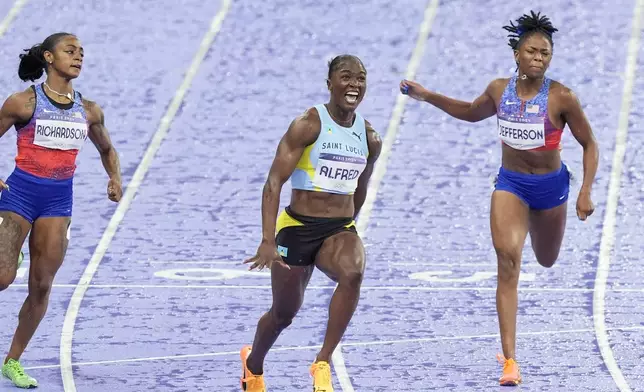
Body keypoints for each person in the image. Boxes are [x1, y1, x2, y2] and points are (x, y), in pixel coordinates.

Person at [400, 10, 598, 386]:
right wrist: (427, 96)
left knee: (547, 259)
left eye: (545, 54)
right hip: (511, 185)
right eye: (533, 52)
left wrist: (584, 191)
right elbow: (470, 112)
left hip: (552, 188)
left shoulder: (562, 98)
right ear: (516, 54)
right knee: (508, 261)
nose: (539, 59)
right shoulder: (498, 91)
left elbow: (589, 144)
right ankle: (510, 360)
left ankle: (511, 353)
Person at [239, 54, 382, 392]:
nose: (354, 84)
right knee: (283, 314)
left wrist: (348, 225)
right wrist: (267, 240)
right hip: (297, 228)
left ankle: (323, 361)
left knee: (353, 272)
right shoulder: (308, 124)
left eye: (360, 78)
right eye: (346, 77)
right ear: (329, 83)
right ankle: (253, 364)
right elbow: (274, 182)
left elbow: (360, 189)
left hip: (338, 230)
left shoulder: (370, 138)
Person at [0, 32, 122, 388]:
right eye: (70, 51)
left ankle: (12, 361)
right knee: (3, 278)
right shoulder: (23, 103)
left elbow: (106, 149)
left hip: (57, 203)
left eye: (82, 52)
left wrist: (114, 177)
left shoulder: (89, 111)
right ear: (49, 58)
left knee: (41, 286)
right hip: (19, 195)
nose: (78, 57)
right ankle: (13, 255)